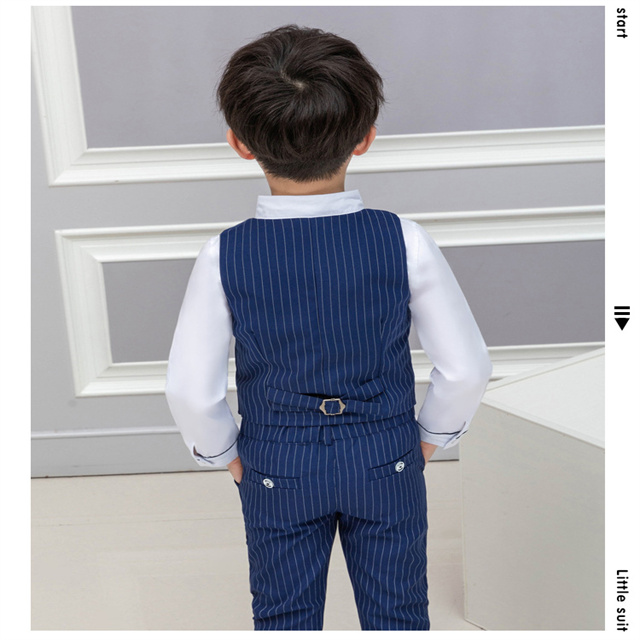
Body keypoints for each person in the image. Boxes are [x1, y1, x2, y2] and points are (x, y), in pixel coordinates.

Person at [165, 24, 493, 631]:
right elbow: (467, 367)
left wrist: (225, 456)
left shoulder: (223, 254)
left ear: (239, 143)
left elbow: (190, 389)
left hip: (278, 460)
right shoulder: (403, 240)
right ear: (365, 137)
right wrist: (428, 440)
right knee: (398, 614)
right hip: (386, 454)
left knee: (284, 616)